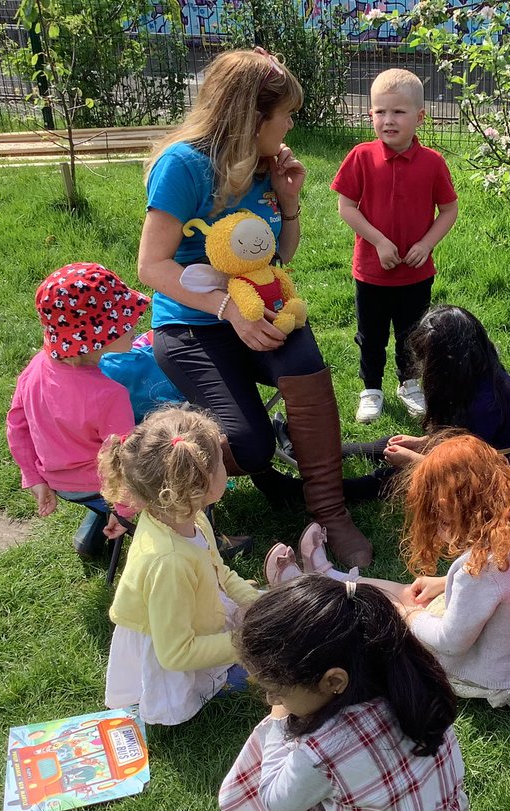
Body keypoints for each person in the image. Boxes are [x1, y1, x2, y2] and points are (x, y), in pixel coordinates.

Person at [138, 47, 372, 569]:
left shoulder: (266, 167)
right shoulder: (184, 166)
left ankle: (329, 511)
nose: (291, 122)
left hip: (258, 309)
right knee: (250, 444)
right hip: (192, 326)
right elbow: (151, 266)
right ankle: (153, 486)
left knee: (306, 364)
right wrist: (228, 310)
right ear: (251, 116)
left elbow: (279, 256)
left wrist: (289, 202)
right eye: (285, 112)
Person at [271, 434, 510, 708]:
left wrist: (411, 618)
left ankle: (310, 592)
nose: (439, 530)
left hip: (496, 673)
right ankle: (329, 576)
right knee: (409, 596)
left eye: (441, 520)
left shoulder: (479, 571)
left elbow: (451, 644)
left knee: (392, 612)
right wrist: (444, 582)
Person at [219, 575, 472, 811]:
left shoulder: (324, 750)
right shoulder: (414, 686)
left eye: (277, 691)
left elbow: (276, 798)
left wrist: (279, 722)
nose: (272, 701)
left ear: (334, 681)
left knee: (288, 807)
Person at [100, 406, 260, 725]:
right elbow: (176, 654)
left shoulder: (188, 516)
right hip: (175, 658)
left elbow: (220, 573)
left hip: (193, 617)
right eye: (221, 462)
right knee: (275, 662)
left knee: (279, 633)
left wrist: (260, 606)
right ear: (201, 484)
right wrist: (246, 642)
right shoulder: (169, 562)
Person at [331, 67, 459, 424]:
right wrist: (379, 241)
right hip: (371, 272)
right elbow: (346, 207)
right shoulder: (360, 156)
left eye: (398, 112)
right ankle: (371, 388)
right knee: (370, 336)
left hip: (416, 274)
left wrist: (426, 243)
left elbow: (449, 209)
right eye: (379, 111)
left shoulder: (433, 163)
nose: (388, 120)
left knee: (412, 334)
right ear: (370, 113)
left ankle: (410, 383)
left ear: (420, 116)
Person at [6, 262, 148, 559]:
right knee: (176, 465)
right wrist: (125, 510)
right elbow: (125, 461)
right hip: (101, 485)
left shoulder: (35, 368)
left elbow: (17, 426)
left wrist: (33, 477)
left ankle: (91, 534)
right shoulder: (109, 396)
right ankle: (201, 539)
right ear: (95, 338)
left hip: (59, 484)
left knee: (98, 496)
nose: (134, 324)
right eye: (125, 322)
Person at [343, 304, 510, 500]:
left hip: (496, 476)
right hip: (478, 456)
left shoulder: (485, 405)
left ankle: (326, 492)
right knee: (391, 443)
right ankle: (335, 453)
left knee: (395, 477)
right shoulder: (478, 372)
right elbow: (459, 435)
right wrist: (422, 442)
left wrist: (413, 460)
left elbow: (463, 469)